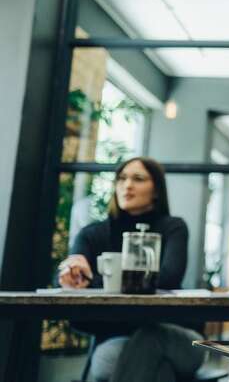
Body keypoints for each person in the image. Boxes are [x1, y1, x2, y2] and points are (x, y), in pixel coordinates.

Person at [58, 157, 206, 382]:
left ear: (156, 190)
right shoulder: (92, 234)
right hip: (117, 340)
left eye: (138, 179)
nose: (127, 185)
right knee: (157, 368)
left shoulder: (172, 227)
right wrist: (70, 275)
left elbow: (168, 277)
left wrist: (95, 281)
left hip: (175, 335)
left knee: (150, 336)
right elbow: (72, 277)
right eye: (122, 178)